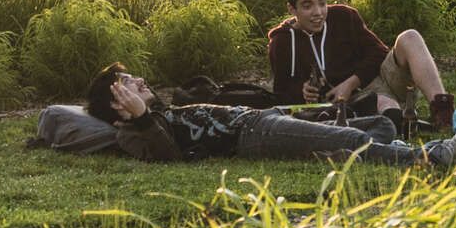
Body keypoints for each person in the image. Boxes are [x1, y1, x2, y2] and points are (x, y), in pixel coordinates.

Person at [85, 64, 420, 165]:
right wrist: (141, 116)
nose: (140, 80)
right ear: (117, 104)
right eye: (128, 83)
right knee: (353, 136)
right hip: (253, 134)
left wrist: (149, 110)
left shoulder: (161, 111)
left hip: (264, 117)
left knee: (377, 124)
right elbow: (167, 156)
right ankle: (427, 158)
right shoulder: (132, 132)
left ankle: (339, 157)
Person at [267, 0, 455, 135]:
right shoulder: (281, 42)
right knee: (384, 107)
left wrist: (351, 82)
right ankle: (402, 120)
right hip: (351, 102)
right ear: (292, 9)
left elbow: (379, 52)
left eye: (322, 3)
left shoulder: (344, 16)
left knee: (410, 37)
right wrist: (302, 91)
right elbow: (281, 94)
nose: (318, 12)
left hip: (381, 78)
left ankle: (442, 112)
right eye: (307, 6)